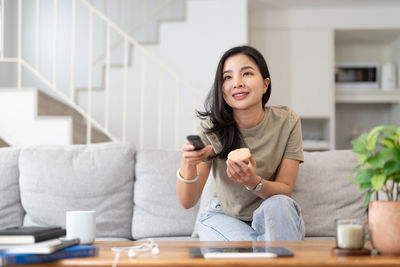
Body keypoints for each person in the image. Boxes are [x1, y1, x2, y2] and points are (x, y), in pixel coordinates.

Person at [176, 45, 305, 241]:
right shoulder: (210, 130)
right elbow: (187, 202)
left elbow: (285, 188)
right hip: (225, 216)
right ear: (222, 88)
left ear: (265, 84)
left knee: (280, 203)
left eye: (247, 74)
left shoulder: (287, 121)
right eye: (227, 77)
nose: (237, 83)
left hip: (272, 211)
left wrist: (253, 183)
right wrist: (188, 164)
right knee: (250, 248)